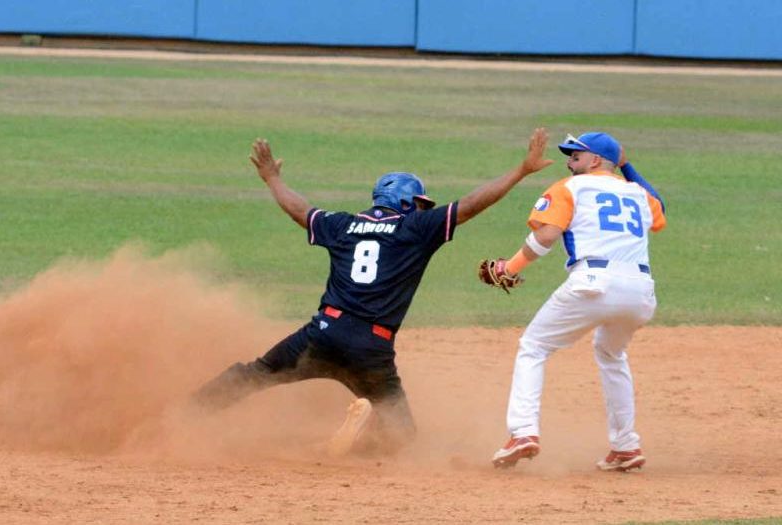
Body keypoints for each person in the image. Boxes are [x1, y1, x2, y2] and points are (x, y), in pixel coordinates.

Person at [193, 129, 554, 456]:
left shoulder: (341, 225)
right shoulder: (416, 227)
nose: (422, 209)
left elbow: (299, 210)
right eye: (419, 203)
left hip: (321, 334)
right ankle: (364, 428)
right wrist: (521, 171)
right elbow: (471, 205)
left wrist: (271, 177)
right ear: (407, 202)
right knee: (401, 438)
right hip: (370, 349)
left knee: (254, 374)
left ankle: (182, 415)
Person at [480, 131, 666, 471]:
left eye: (575, 156)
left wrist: (511, 266)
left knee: (533, 346)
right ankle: (625, 445)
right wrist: (627, 165)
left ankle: (523, 432)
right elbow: (659, 210)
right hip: (640, 291)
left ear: (594, 160)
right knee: (612, 353)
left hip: (594, 283)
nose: (569, 162)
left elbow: (547, 235)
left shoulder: (569, 188)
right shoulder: (637, 193)